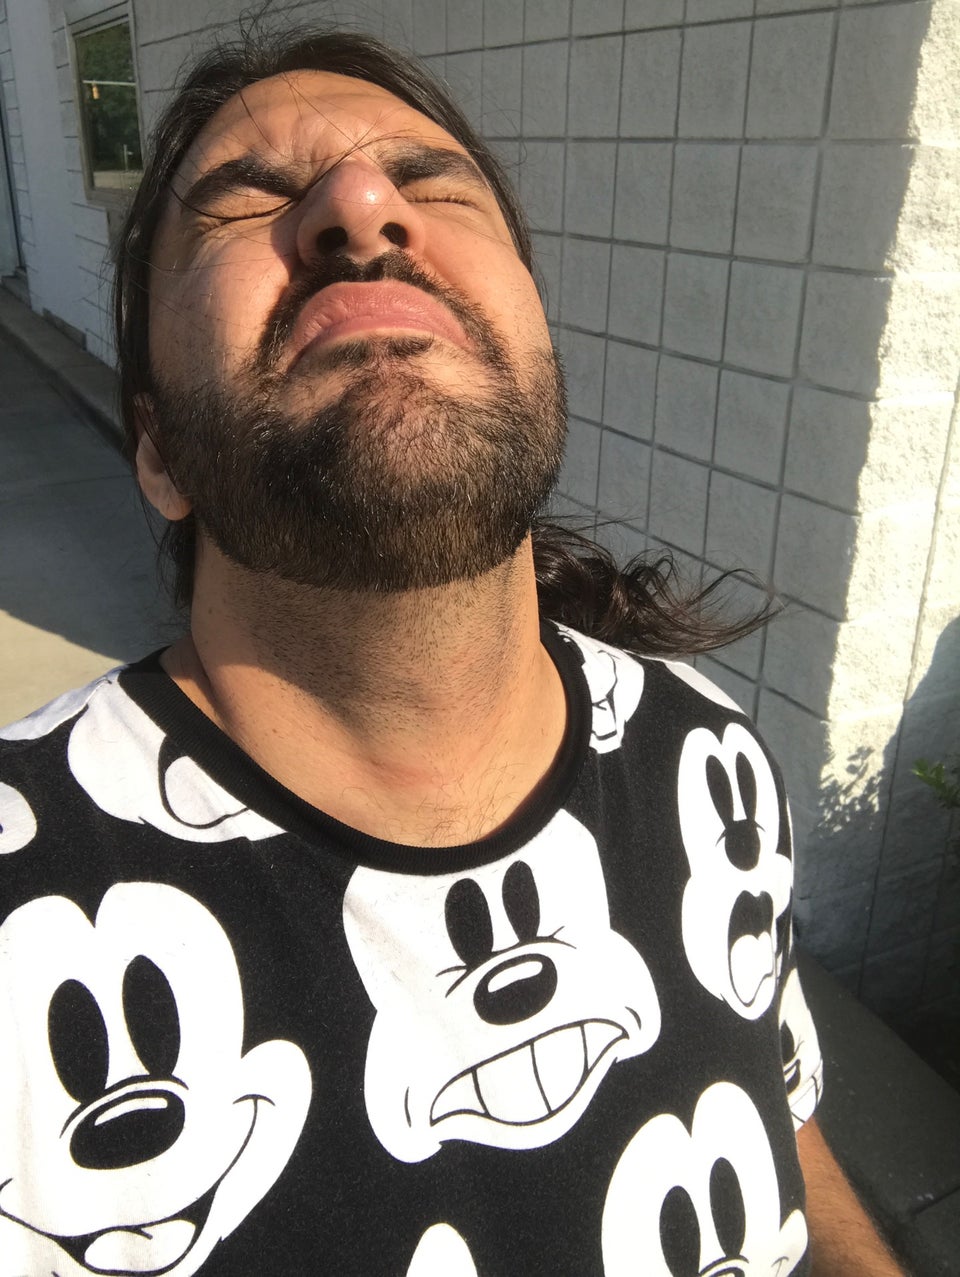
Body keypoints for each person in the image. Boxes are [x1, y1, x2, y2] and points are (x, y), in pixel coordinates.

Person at [0, 24, 904, 1277]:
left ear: (537, 349)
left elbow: (777, 1100)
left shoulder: (710, 754)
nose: (360, 206)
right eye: (246, 203)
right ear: (157, 449)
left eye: (432, 183)